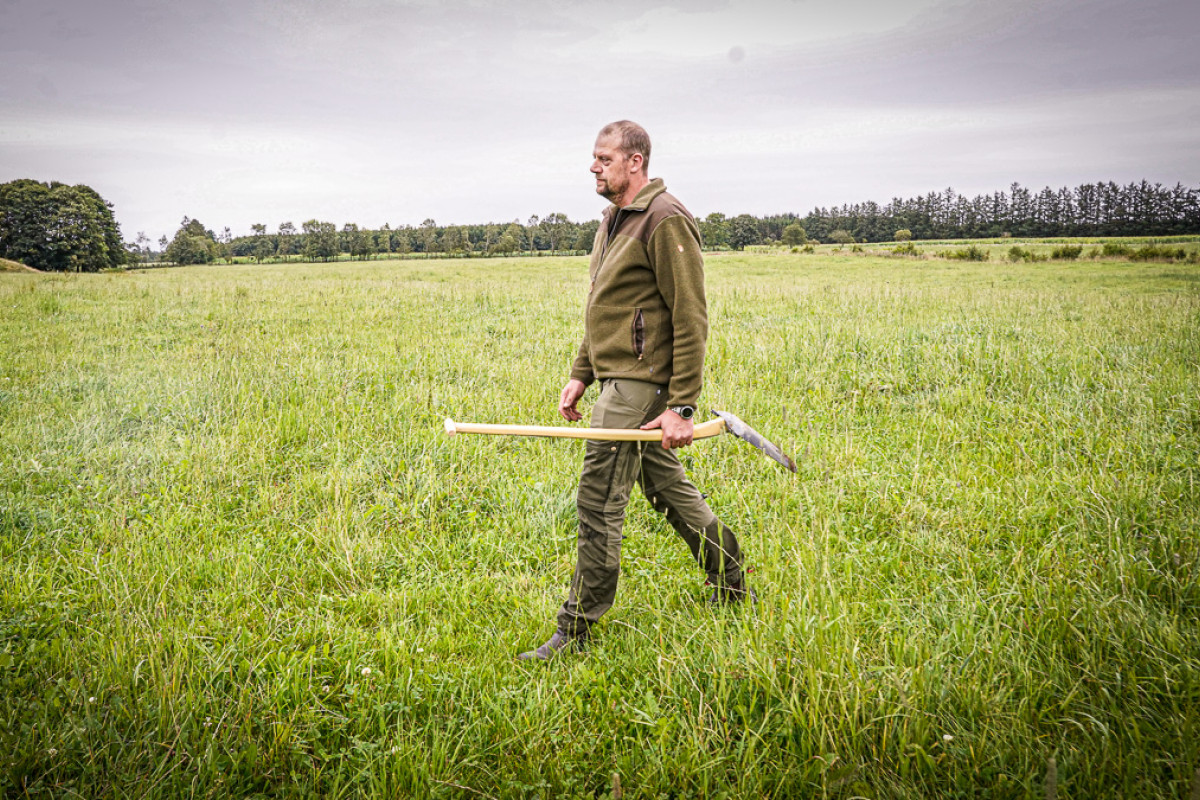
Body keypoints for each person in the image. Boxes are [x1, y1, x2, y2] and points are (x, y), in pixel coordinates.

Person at [519, 120, 753, 662]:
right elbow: (609, 305)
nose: (594, 167)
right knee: (667, 489)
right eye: (594, 159)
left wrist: (681, 406)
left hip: (640, 387)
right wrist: (582, 371)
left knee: (598, 501)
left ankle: (574, 630)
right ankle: (732, 581)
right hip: (617, 379)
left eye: (604, 159)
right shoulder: (613, 219)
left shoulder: (665, 218)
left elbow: (690, 317)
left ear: (635, 162)